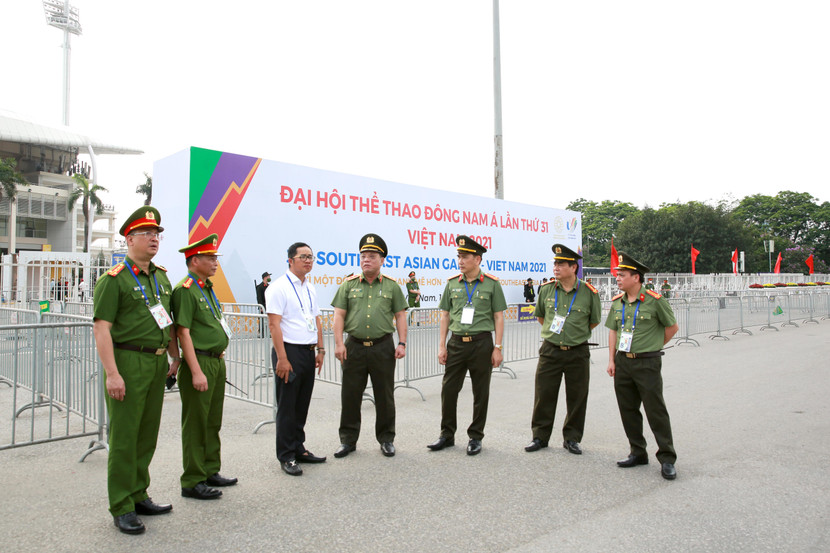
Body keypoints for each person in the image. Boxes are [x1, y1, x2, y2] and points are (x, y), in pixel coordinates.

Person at [92, 206, 180, 535]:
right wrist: (112, 373)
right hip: (127, 361)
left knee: (146, 433)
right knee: (125, 437)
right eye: (147, 234)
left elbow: (166, 320)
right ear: (130, 239)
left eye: (157, 234)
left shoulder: (160, 277)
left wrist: (174, 356)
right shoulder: (113, 280)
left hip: (157, 362)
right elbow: (102, 329)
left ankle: (139, 492)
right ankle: (121, 504)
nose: (154, 239)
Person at [171, 233, 237, 501]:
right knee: (196, 423)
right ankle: (193, 479)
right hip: (199, 361)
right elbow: (182, 332)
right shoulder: (185, 290)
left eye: (215, 258)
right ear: (195, 260)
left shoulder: (206, 287)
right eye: (210, 258)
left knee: (212, 420)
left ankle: (211, 469)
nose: (215, 262)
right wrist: (195, 370)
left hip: (215, 360)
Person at [428, 235, 506, 456]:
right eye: (458, 257)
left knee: (480, 391)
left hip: (481, 343)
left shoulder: (492, 284)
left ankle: (475, 436)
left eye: (464, 257)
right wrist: (442, 346)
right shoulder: (452, 283)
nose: (460, 261)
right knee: (449, 389)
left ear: (478, 259)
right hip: (456, 344)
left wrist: (497, 347)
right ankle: (447, 434)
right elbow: (444, 315)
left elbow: (499, 317)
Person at [331, 234, 408, 458]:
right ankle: (348, 440)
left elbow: (401, 316)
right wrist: (338, 344)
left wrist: (402, 343)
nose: (366, 260)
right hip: (353, 346)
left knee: (385, 395)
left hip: (382, 347)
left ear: (382, 260)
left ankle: (386, 439)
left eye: (372, 256)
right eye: (363, 256)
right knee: (350, 395)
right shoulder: (348, 285)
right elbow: (338, 315)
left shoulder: (392, 286)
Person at [605, 252, 679, 480]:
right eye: (617, 275)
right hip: (623, 361)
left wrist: (653, 345)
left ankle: (667, 458)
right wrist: (611, 359)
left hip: (647, 362)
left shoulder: (655, 301)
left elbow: (672, 328)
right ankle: (637, 451)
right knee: (628, 409)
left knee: (655, 410)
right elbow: (613, 330)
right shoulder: (618, 303)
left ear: (636, 278)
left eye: (622, 275)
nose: (617, 278)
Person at [525, 244, 601, 455]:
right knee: (544, 395)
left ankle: (572, 438)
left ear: (573, 267)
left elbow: (593, 321)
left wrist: (574, 335)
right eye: (555, 263)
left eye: (560, 264)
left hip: (578, 351)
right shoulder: (547, 289)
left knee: (577, 397)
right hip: (551, 350)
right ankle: (540, 437)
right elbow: (541, 316)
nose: (556, 267)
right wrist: (555, 333)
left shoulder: (589, 292)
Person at [265, 242, 327, 476]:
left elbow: (317, 319)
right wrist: (282, 358)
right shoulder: (278, 287)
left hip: (308, 352)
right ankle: (286, 455)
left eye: (311, 257)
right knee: (287, 406)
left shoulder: (309, 287)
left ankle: (298, 447)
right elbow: (274, 324)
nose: (308, 260)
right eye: (303, 257)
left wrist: (320, 350)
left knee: (302, 404)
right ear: (290, 260)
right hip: (288, 352)